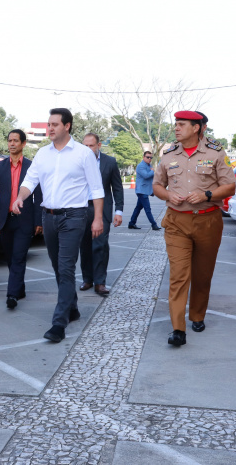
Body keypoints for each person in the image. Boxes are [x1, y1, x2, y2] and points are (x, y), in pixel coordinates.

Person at [12, 108, 104, 343]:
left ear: (67, 126)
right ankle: (72, 308)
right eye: (48, 124)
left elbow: (96, 189)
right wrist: (20, 197)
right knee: (56, 265)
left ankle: (59, 323)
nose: (50, 128)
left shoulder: (84, 154)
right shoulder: (42, 154)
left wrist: (98, 218)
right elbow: (30, 181)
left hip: (74, 216)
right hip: (48, 217)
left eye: (54, 124)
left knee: (65, 267)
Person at [152, 110, 235, 347]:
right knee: (178, 276)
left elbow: (230, 186)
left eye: (181, 124)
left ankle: (197, 315)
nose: (176, 128)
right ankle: (178, 329)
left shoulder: (216, 153)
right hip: (176, 222)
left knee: (202, 274)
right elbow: (157, 185)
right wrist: (168, 194)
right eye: (176, 124)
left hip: (208, 221)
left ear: (196, 128)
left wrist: (207, 194)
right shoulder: (168, 155)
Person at [0, 129, 43, 310]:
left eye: (16, 141)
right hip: (5, 220)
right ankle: (19, 288)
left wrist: (38, 221)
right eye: (10, 141)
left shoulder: (32, 167)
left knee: (18, 257)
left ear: (23, 144)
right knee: (10, 257)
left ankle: (12, 295)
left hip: (25, 220)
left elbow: (38, 195)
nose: (12, 144)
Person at [78, 132, 124, 296]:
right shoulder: (78, 161)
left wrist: (119, 211)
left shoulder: (109, 162)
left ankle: (100, 282)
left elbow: (117, 188)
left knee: (100, 245)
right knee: (84, 246)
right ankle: (87, 279)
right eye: (85, 145)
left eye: (91, 145)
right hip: (82, 208)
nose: (88, 149)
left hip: (103, 209)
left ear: (99, 145)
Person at [127, 151, 161, 231]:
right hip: (142, 191)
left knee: (138, 208)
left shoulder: (149, 165)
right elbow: (146, 175)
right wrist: (152, 171)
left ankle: (131, 223)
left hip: (145, 190)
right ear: (143, 157)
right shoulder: (140, 166)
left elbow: (151, 176)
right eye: (148, 157)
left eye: (151, 157)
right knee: (147, 209)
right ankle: (154, 224)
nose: (149, 159)